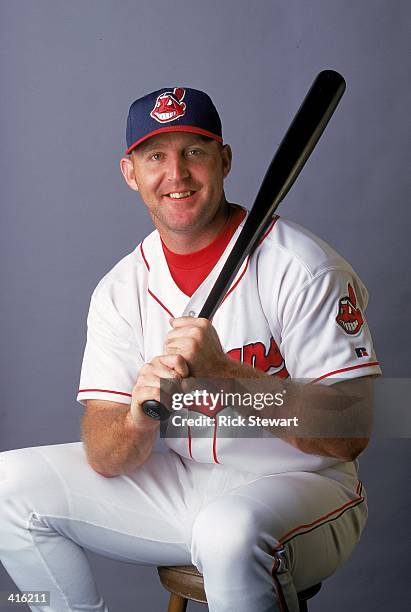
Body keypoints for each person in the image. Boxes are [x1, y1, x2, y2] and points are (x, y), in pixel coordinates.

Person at [0, 86, 381, 612]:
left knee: (228, 531)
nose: (176, 174)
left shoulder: (303, 267)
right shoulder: (120, 288)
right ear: (130, 173)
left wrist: (228, 378)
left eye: (194, 152)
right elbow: (106, 455)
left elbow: (351, 430)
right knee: (7, 486)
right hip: (185, 484)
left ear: (223, 161)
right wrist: (136, 419)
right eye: (156, 155)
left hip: (304, 486)